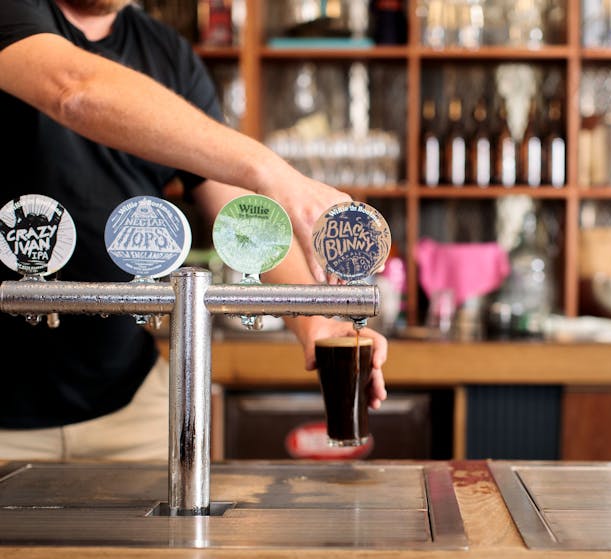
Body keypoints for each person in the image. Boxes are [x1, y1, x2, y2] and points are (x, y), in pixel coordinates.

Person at [0, 0, 388, 461]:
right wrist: (275, 173)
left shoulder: (167, 53)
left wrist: (316, 318)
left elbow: (241, 216)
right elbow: (74, 89)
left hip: (130, 404)